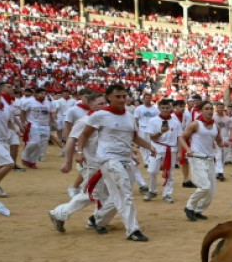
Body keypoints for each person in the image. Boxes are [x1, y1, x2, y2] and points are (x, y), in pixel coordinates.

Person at [76, 84, 155, 242]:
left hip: (126, 159)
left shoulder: (130, 117)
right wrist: (80, 153)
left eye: (124, 96)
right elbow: (84, 135)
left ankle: (97, 219)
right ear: (109, 97)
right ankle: (132, 229)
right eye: (118, 96)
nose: (122, 99)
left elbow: (134, 137)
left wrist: (149, 146)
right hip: (108, 159)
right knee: (125, 193)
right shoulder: (100, 115)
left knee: (119, 194)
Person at [48, 92, 115, 234]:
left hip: (103, 162)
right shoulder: (85, 121)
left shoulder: (105, 119)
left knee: (104, 193)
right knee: (92, 193)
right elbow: (72, 139)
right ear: (91, 105)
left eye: (105, 103)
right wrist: (68, 161)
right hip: (92, 163)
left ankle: (96, 219)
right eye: (100, 104)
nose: (104, 106)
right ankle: (60, 213)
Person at [180, 101, 225, 221]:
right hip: (197, 158)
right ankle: (189, 207)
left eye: (211, 108)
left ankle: (198, 210)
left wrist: (226, 143)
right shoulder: (195, 124)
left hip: (210, 159)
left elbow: (219, 141)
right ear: (201, 111)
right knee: (205, 187)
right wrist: (188, 149)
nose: (209, 111)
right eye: (206, 109)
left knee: (211, 191)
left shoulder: (216, 126)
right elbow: (182, 137)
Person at [143, 99, 181, 203]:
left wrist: (179, 151)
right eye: (163, 108)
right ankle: (152, 191)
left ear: (171, 108)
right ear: (159, 108)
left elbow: (179, 138)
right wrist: (161, 132)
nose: (165, 110)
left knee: (170, 172)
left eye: (167, 108)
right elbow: (152, 137)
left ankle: (167, 194)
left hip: (171, 149)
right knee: (152, 171)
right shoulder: (153, 121)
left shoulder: (175, 123)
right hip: (156, 148)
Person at [19, 88, 55, 169]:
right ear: (36, 94)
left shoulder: (49, 102)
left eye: (44, 94)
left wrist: (53, 121)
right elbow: (23, 112)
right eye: (41, 94)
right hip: (34, 124)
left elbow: (52, 112)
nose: (43, 95)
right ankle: (25, 157)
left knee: (41, 146)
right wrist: (23, 123)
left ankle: (33, 161)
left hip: (45, 125)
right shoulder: (29, 102)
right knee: (35, 142)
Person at [0, 88, 18, 197]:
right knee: (9, 163)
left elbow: (9, 122)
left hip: (4, 139)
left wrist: (15, 130)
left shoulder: (6, 108)